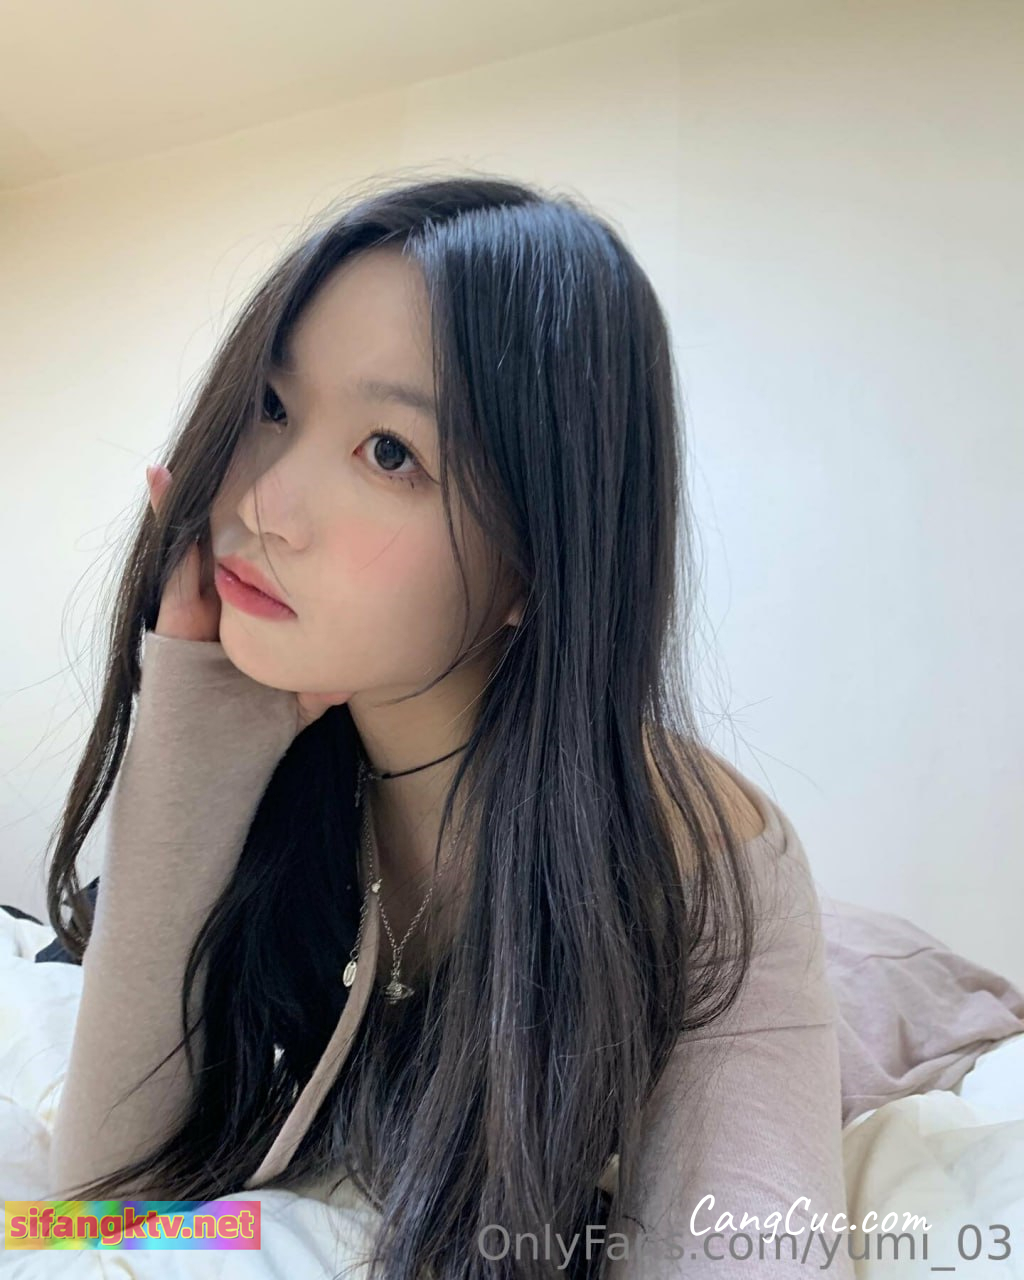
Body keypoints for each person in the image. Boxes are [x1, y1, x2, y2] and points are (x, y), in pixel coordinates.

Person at [44, 175, 853, 1279]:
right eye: (273, 406)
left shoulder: (698, 858)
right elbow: (93, 1208)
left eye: (390, 452)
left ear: (539, 558)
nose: (262, 503)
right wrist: (191, 717)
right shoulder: (289, 756)